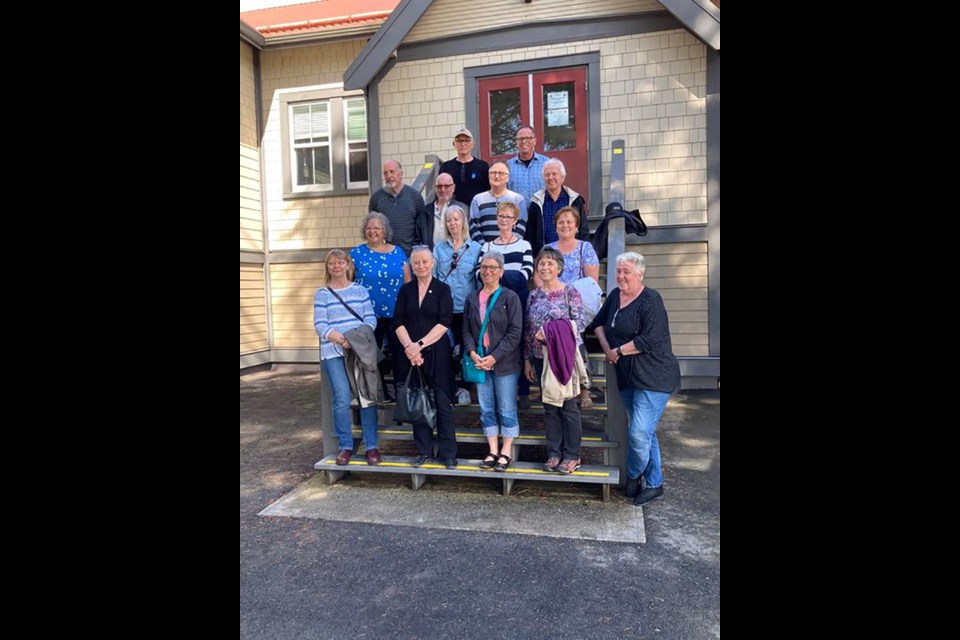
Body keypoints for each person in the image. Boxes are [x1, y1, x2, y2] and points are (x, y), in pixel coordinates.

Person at [589, 252, 680, 506]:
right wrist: (607, 347)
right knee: (645, 432)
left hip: (655, 375)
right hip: (627, 375)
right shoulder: (616, 296)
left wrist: (617, 351)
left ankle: (633, 475)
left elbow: (648, 340)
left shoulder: (651, 299)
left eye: (626, 271)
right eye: (618, 270)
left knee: (639, 433)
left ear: (640, 274)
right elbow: (598, 322)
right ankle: (654, 483)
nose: (620, 276)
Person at [313, 250, 381, 466]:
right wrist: (340, 339)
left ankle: (371, 446)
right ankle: (346, 446)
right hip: (333, 352)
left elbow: (370, 320)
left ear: (347, 265)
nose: (336, 266)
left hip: (358, 351)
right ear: (328, 267)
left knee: (365, 397)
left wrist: (353, 339)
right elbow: (320, 325)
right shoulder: (322, 293)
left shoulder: (360, 291)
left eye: (340, 262)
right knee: (341, 399)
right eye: (332, 263)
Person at [393, 246, 458, 469]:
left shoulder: (442, 289)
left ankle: (448, 452)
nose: (420, 266)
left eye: (424, 262)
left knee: (441, 404)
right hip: (410, 354)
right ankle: (424, 450)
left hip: (437, 355)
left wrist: (419, 345)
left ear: (432, 264)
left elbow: (444, 323)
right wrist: (410, 348)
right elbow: (398, 322)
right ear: (412, 265)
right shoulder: (405, 291)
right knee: (418, 402)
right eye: (416, 263)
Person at [523, 247, 587, 475]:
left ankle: (572, 456)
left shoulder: (570, 292)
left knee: (569, 407)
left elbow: (579, 324)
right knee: (550, 406)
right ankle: (554, 453)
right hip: (541, 358)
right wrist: (527, 359)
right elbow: (529, 331)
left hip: (563, 357)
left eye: (550, 263)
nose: (545, 267)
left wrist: (549, 332)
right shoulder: (533, 295)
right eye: (541, 263)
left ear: (559, 267)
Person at [463, 253, 524, 472]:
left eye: (492, 267)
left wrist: (494, 356)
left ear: (501, 271)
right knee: (486, 407)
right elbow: (467, 330)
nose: (487, 271)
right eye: (483, 267)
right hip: (479, 359)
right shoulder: (472, 298)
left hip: (504, 361)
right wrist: (472, 352)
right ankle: (492, 449)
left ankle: (506, 450)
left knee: (506, 407)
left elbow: (515, 332)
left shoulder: (510, 297)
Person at [477, 201, 534, 405]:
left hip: (518, 298)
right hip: (493, 300)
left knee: (518, 339)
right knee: (496, 339)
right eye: (501, 216)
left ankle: (524, 391)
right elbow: (480, 272)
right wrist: (504, 276)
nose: (504, 220)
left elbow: (526, 273)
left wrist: (498, 276)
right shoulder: (488, 246)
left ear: (515, 221)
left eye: (508, 217)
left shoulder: (524, 245)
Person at [350, 212, 411, 400]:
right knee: (371, 357)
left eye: (376, 228)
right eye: (368, 228)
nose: (372, 232)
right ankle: (377, 391)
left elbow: (408, 284)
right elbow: (348, 283)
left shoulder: (398, 252)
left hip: (396, 314)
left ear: (384, 231)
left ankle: (402, 393)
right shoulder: (356, 254)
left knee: (401, 355)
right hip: (368, 317)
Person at [545, 205, 601, 407]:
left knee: (579, 348)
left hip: (576, 306)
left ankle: (584, 390)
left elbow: (591, 281)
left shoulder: (585, 248)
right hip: (553, 306)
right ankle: (559, 388)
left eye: (569, 222)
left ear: (577, 226)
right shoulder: (549, 249)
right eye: (561, 222)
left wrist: (568, 295)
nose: (565, 225)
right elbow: (542, 277)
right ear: (555, 226)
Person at [432, 205, 482, 404]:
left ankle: (466, 388)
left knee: (466, 350)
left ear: (463, 222)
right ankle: (449, 388)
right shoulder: (439, 248)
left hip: (467, 308)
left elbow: (479, 282)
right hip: (445, 310)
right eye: (449, 220)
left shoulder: (476, 248)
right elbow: (434, 278)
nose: (453, 223)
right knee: (445, 350)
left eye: (456, 219)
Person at [526, 158, 590, 257]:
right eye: (547, 175)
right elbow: (530, 234)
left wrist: (582, 255)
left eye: (554, 174)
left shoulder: (575, 200)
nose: (550, 177)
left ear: (562, 177)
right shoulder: (536, 202)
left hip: (571, 256)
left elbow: (583, 231)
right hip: (544, 258)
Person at [369, 160, 425, 256]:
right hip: (384, 255)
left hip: (410, 255)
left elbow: (422, 227)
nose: (389, 176)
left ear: (401, 174)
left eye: (392, 171)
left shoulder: (415, 196)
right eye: (385, 173)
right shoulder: (376, 198)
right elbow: (372, 228)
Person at [469, 162, 526, 244]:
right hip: (486, 252)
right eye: (493, 173)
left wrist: (509, 246)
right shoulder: (478, 199)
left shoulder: (518, 200)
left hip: (510, 250)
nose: (496, 176)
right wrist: (485, 248)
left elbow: (520, 228)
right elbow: (474, 228)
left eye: (501, 173)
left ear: (508, 177)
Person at [439, 128, 489, 209]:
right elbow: (440, 191)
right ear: (453, 144)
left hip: (477, 211)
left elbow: (488, 191)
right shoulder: (446, 167)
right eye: (459, 141)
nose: (463, 143)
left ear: (473, 144)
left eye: (467, 140)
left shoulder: (483, 166)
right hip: (453, 214)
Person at [415, 172, 468, 249]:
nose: (443, 190)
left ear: (453, 187)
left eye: (447, 186)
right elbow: (417, 238)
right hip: (430, 257)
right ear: (435, 188)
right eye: (439, 186)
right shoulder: (425, 211)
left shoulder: (463, 209)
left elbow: (468, 236)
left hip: (455, 256)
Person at [506, 125, 550, 204]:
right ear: (516, 142)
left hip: (541, 213)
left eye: (528, 138)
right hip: (516, 214)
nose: (524, 141)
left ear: (535, 141)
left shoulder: (547, 163)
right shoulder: (508, 166)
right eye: (521, 139)